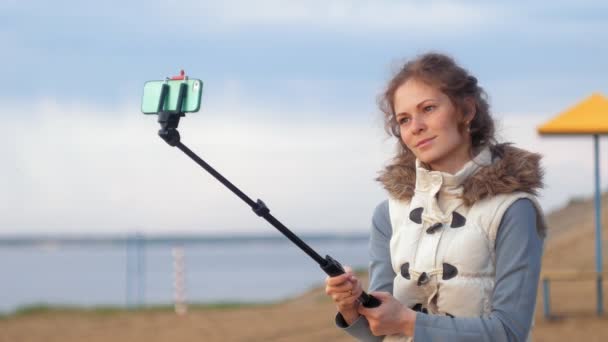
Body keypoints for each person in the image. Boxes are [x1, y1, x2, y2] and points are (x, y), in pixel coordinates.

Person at [325, 52, 546, 341]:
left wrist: (409, 323)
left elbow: (509, 332)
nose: (415, 126)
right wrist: (353, 306)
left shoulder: (513, 210)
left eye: (428, 108)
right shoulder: (388, 214)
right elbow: (376, 333)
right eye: (403, 119)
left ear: (466, 111)